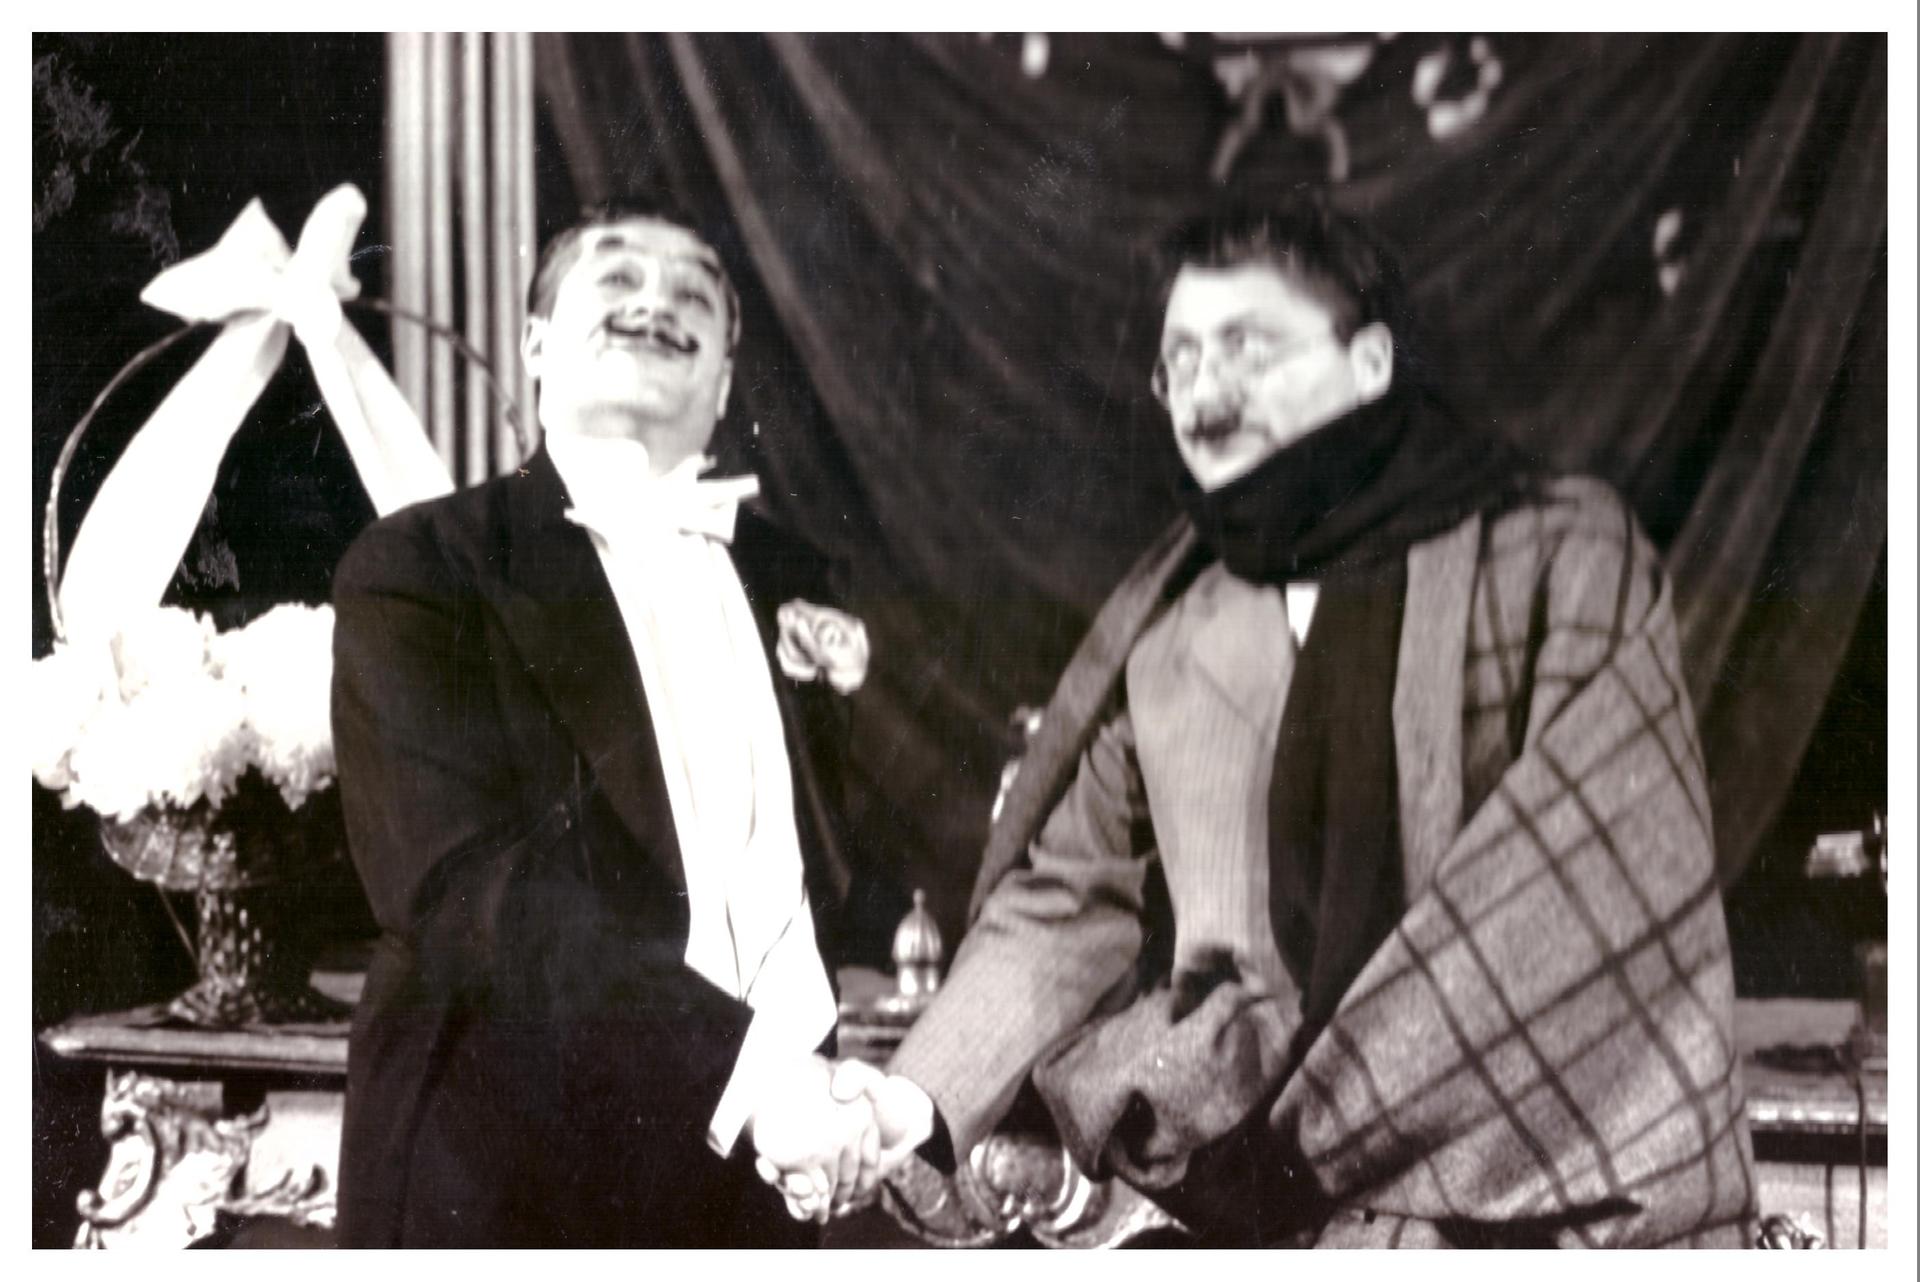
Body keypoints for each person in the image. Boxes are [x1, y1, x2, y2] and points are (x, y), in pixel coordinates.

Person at [806, 198, 1757, 1247]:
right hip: (1262, 1213)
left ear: (1371, 362)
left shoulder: (1561, 559)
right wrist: (908, 1103)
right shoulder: (1174, 632)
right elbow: (1068, 897)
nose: (1206, 394)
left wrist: (1337, 1124)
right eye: (1179, 361)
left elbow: (1587, 905)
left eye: (1247, 349)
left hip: (1532, 1201)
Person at [331, 198, 883, 1247]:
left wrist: (813, 1084)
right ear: (536, 343)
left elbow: (811, 878)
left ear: (724, 377)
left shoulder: (792, 577)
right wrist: (754, 1074)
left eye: (695, 295)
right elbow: (471, 896)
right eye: (618, 275)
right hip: (505, 1186)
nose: (655, 302)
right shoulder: (421, 565)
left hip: (760, 1188)